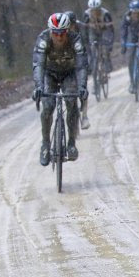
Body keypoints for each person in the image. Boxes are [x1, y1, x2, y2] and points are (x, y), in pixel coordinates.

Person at [32, 13, 88, 166]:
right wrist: (38, 87)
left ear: (67, 30)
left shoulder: (75, 40)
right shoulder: (43, 39)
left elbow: (81, 65)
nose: (59, 37)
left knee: (71, 101)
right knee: (48, 106)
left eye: (62, 33)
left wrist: (82, 86)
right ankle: (45, 144)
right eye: (55, 33)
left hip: (68, 74)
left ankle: (71, 142)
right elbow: (39, 65)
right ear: (51, 31)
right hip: (49, 74)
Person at [65, 11, 90, 130]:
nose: (69, 28)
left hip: (80, 59)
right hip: (66, 62)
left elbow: (86, 46)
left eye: (71, 25)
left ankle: (84, 116)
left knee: (82, 88)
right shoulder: (61, 32)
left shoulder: (81, 30)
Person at [83, 0, 114, 76]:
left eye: (97, 9)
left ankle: (107, 63)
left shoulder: (105, 13)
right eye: (93, 10)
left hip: (104, 31)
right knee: (92, 48)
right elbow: (85, 28)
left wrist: (110, 42)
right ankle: (93, 66)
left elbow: (111, 29)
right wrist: (86, 40)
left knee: (105, 49)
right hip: (93, 32)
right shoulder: (87, 14)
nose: (95, 12)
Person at [121, 0, 139, 94]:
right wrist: (123, 42)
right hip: (133, 37)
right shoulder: (127, 17)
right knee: (131, 59)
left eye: (137, 13)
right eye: (134, 13)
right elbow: (123, 30)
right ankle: (132, 82)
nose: (136, 15)